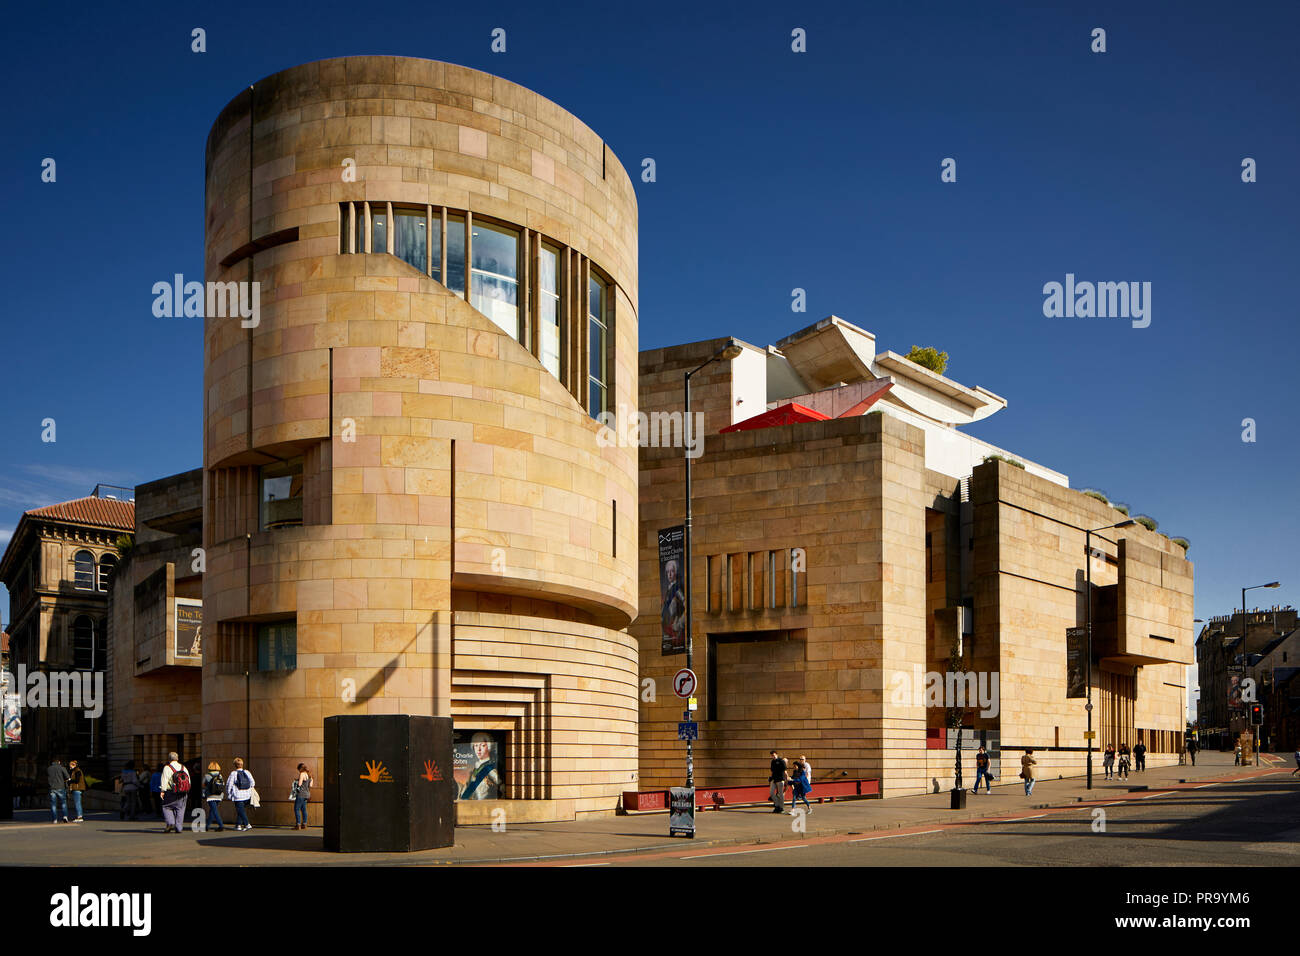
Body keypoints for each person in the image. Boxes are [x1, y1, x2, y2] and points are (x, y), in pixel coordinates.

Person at [159, 752, 191, 833]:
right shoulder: (183, 767)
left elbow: (164, 780)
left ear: (169, 759)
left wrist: (162, 790)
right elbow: (189, 781)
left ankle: (170, 823)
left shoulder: (167, 767)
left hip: (171, 792)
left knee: (166, 807)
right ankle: (179, 828)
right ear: (177, 758)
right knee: (180, 809)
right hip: (183, 792)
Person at [225, 757, 256, 831]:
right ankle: (238, 825)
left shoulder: (233, 773)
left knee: (240, 810)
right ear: (242, 764)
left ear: (235, 765)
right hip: (247, 795)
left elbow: (229, 784)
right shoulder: (247, 772)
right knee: (241, 810)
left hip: (238, 795)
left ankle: (247, 824)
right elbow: (253, 783)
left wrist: (228, 793)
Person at [47, 757, 70, 823]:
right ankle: (65, 816)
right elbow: (67, 777)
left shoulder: (49, 768)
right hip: (60, 787)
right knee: (63, 803)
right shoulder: (62, 768)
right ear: (59, 762)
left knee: (53, 804)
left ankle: (55, 819)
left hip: (52, 788)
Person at [203, 762, 226, 831]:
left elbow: (203, 785)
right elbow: (223, 784)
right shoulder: (220, 775)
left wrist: (204, 794)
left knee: (214, 810)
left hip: (211, 796)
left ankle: (221, 825)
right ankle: (207, 826)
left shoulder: (207, 775)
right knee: (212, 810)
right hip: (219, 795)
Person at [291, 763, 314, 829]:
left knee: (296, 809)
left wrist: (297, 781)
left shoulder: (302, 774)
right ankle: (304, 824)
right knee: (304, 809)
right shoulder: (310, 775)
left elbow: (300, 784)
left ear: (300, 769)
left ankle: (298, 825)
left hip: (301, 794)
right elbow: (311, 785)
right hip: (307, 794)